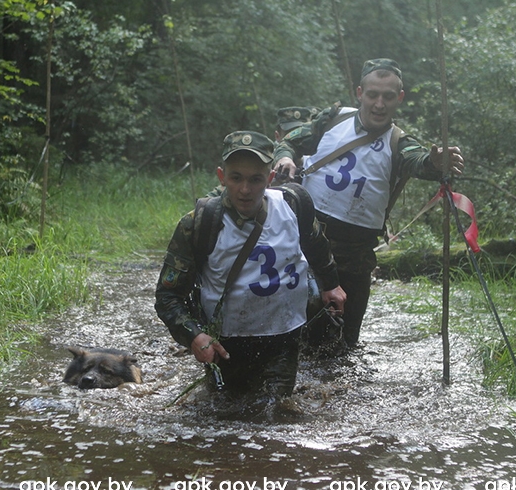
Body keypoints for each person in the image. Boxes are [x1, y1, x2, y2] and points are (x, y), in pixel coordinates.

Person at [273, 58, 464, 349]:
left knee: (345, 345)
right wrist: (284, 158)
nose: (379, 104)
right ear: (360, 93)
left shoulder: (399, 142)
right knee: (287, 334)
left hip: (355, 253)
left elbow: (420, 162)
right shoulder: (333, 119)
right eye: (373, 95)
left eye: (388, 96)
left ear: (399, 98)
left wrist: (437, 162)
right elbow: (289, 142)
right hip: (303, 239)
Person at [155, 131, 346, 399]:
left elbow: (316, 244)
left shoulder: (293, 204)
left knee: (276, 411)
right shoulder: (199, 223)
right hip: (226, 344)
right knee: (226, 414)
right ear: (222, 177)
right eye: (236, 178)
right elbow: (167, 296)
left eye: (255, 180)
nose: (245, 190)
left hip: (284, 337)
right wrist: (195, 336)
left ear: (269, 179)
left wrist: (331, 284)